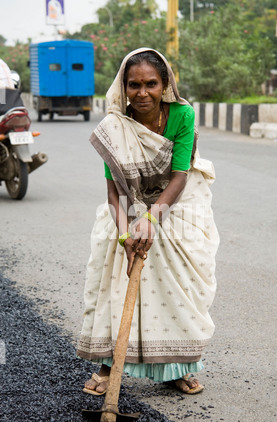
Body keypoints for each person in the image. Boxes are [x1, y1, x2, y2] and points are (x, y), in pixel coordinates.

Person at [76, 48, 219, 395]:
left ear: (165, 83)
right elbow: (114, 194)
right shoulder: (114, 127)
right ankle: (109, 365)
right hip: (129, 203)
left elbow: (180, 175)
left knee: (178, 279)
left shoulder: (182, 115)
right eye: (134, 85)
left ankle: (178, 366)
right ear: (123, 87)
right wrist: (126, 236)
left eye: (151, 84)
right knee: (116, 278)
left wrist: (153, 221)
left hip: (177, 199)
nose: (142, 93)